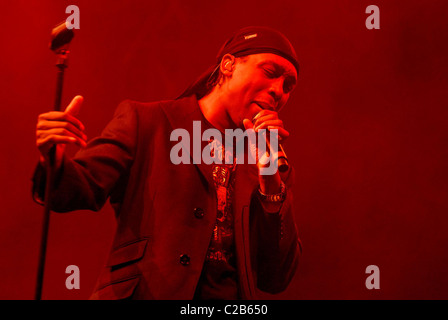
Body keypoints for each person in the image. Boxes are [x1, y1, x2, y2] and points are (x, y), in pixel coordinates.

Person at [33, 26, 302, 300]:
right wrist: (52, 158)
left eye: (288, 86)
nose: (278, 90)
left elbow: (275, 276)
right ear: (228, 65)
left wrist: (270, 180)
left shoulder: (268, 166)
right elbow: (74, 190)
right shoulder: (150, 122)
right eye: (270, 73)